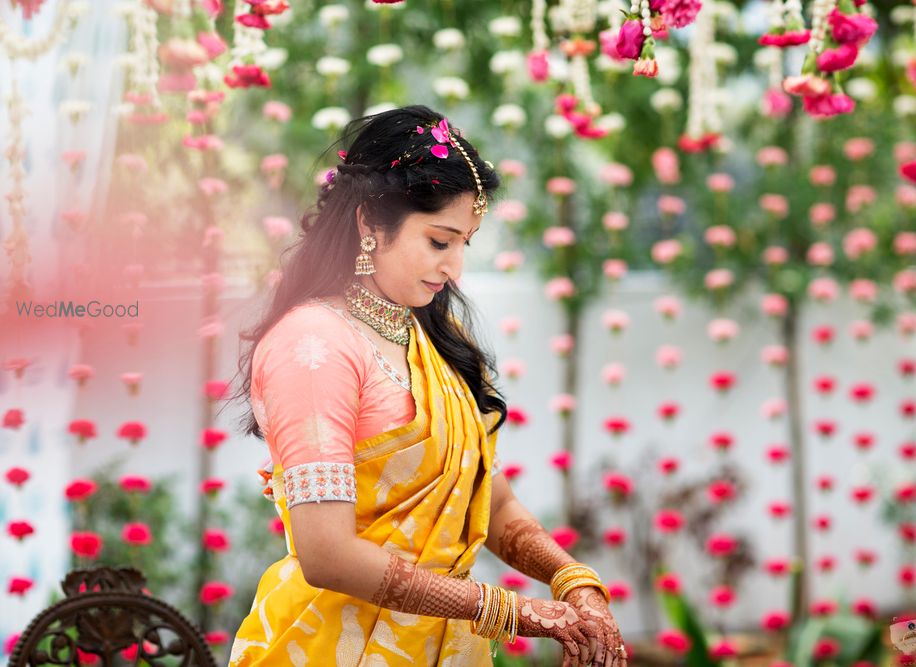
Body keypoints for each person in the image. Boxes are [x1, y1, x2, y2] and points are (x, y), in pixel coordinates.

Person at [229, 105, 627, 667]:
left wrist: (571, 580)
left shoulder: (433, 333)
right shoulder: (313, 345)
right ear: (370, 222)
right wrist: (517, 612)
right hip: (328, 646)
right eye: (440, 242)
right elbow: (327, 553)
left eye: (466, 242)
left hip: (447, 647)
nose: (455, 267)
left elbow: (487, 496)